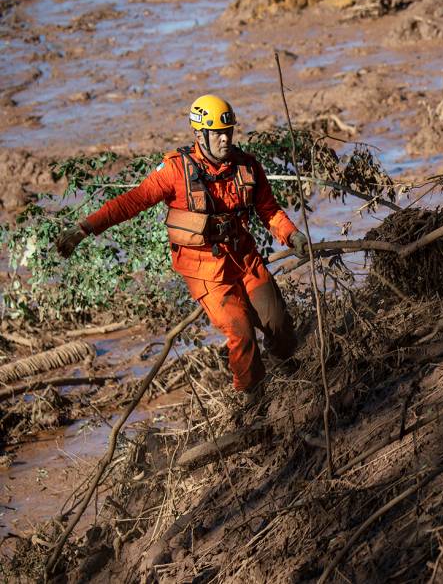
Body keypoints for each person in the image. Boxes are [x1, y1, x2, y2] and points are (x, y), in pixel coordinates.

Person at [56, 94, 309, 406]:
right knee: (241, 334)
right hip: (206, 272)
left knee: (280, 327)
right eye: (216, 133)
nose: (224, 139)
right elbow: (132, 201)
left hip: (245, 260)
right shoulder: (176, 169)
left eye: (228, 132)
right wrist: (84, 228)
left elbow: (269, 211)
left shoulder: (247, 166)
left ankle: (289, 372)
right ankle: (252, 405)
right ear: (199, 134)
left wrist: (292, 235)